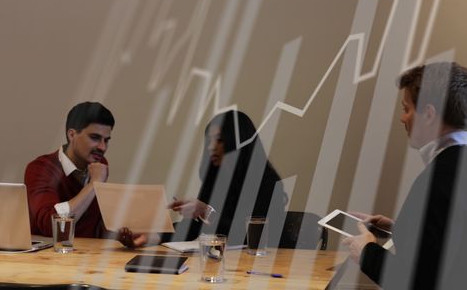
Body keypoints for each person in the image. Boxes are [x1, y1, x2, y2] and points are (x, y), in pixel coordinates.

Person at [342, 62, 467, 290]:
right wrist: (398, 228)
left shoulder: (440, 179)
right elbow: (456, 243)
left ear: (429, 114)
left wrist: (366, 251)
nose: (402, 118)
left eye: (407, 109)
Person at [25, 101, 146, 248]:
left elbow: (90, 226)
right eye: (95, 138)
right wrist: (93, 184)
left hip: (87, 256)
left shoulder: (99, 165)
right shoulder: (41, 168)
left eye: (106, 140)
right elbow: (54, 227)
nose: (102, 147)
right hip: (48, 258)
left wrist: (117, 236)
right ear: (72, 135)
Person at [166, 110, 286, 245]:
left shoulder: (267, 182)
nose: (211, 147)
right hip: (222, 259)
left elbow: (251, 235)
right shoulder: (215, 179)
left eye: (220, 140)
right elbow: (193, 228)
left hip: (258, 262)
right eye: (209, 140)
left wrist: (206, 212)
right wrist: (152, 235)